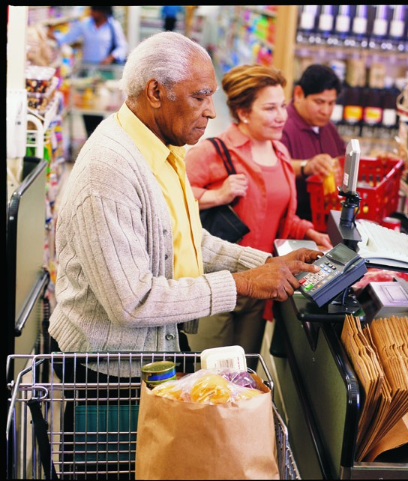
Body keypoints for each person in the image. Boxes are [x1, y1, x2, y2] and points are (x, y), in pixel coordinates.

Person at [48, 32, 322, 375]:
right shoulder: (109, 170)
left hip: (158, 349)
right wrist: (243, 283)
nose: (210, 111)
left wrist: (268, 262)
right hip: (108, 370)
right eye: (200, 97)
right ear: (156, 92)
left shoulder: (165, 149)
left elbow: (189, 241)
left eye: (212, 97)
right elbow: (132, 302)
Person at [185, 64, 333, 360]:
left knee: (243, 368)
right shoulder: (212, 151)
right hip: (215, 283)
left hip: (261, 281)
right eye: (269, 108)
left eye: (282, 106)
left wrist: (308, 231)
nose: (281, 116)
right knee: (208, 372)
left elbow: (280, 216)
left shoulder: (280, 153)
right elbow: (171, 205)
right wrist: (217, 195)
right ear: (243, 113)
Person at [280, 64, 347, 222]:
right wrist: (307, 166)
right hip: (294, 220)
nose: (325, 110)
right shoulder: (281, 124)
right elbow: (273, 166)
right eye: (319, 102)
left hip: (326, 217)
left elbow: (342, 159)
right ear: (298, 94)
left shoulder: (328, 128)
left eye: (331, 103)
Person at [50, 6, 128, 136]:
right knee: (86, 105)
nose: (92, 13)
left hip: (104, 72)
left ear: (103, 12)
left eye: (95, 10)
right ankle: (89, 133)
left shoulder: (113, 26)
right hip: (86, 71)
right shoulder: (85, 24)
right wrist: (54, 36)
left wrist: (110, 57)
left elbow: (122, 47)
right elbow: (68, 37)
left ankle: (99, 132)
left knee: (101, 103)